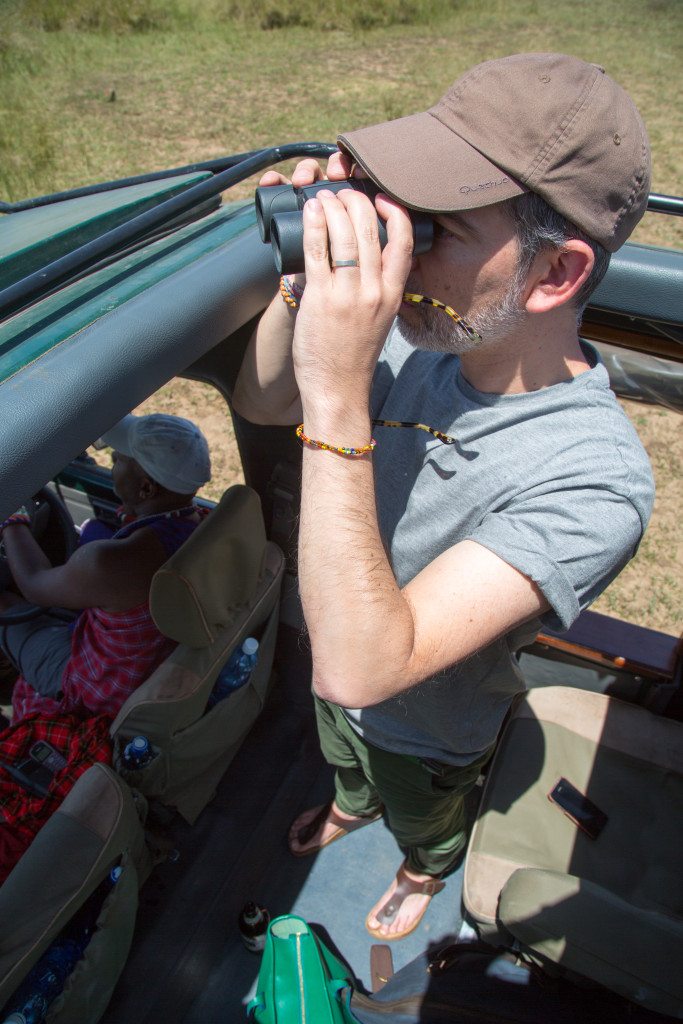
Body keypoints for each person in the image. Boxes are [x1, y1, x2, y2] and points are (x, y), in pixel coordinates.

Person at [232, 52, 655, 941]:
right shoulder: (419, 332)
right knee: (345, 758)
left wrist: (342, 387)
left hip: (432, 728)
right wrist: (305, 278)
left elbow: (369, 662)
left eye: (434, 227)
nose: (398, 245)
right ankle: (350, 804)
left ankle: (423, 866)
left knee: (420, 805)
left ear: (552, 274)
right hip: (335, 681)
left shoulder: (593, 479)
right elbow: (265, 400)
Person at [0, 413, 211, 723]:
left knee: (5, 605)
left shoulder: (112, 563)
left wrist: (12, 514)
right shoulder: (200, 523)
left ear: (147, 489)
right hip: (148, 665)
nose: (111, 461)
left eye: (117, 460)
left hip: (94, 690)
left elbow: (33, 585)